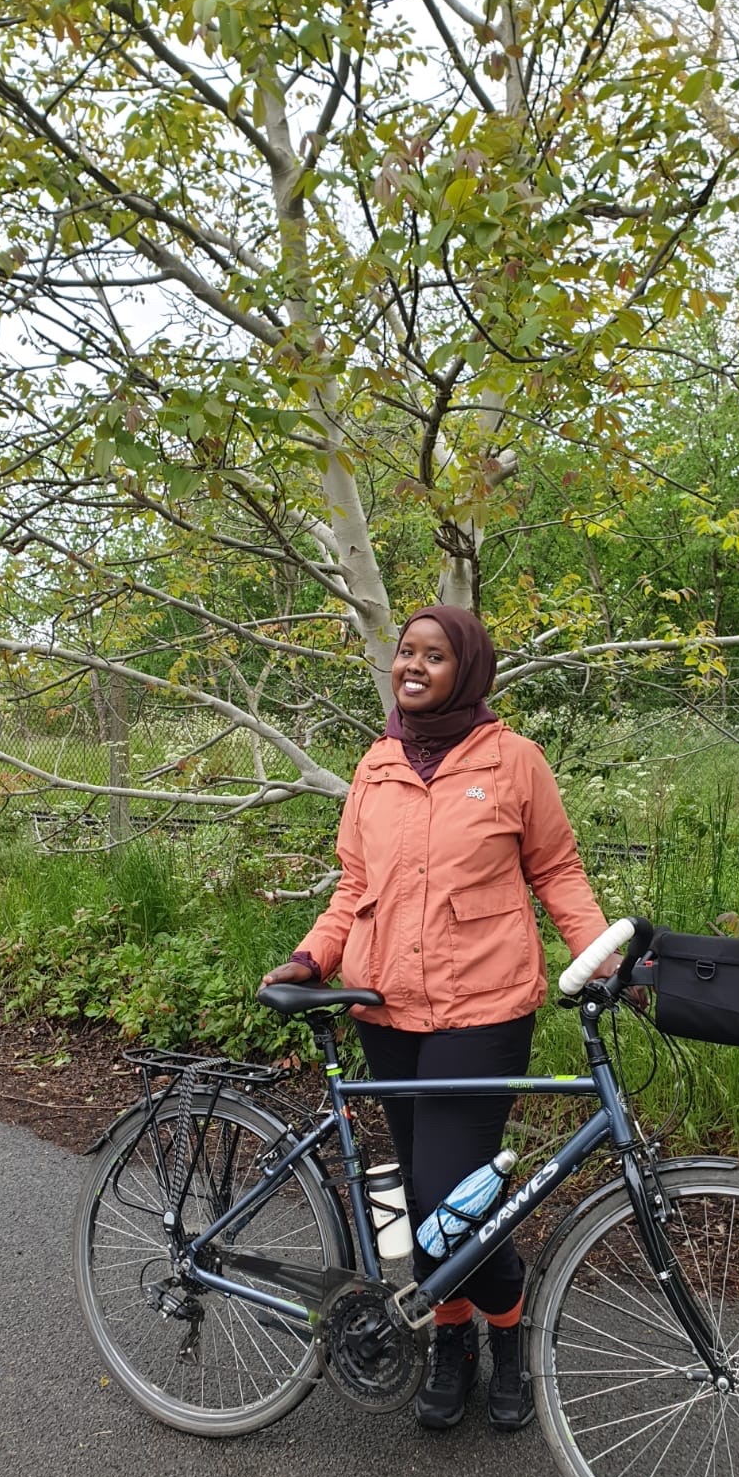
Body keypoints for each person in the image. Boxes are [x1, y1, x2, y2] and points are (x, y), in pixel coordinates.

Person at [261, 605, 621, 1433]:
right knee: (433, 1204)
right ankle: (452, 1341)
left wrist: (599, 957)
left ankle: (506, 1335)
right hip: (383, 1008)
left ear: (469, 669)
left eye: (434, 655)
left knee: (449, 1209)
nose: (413, 666)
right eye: (405, 653)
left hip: (482, 1010)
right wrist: (314, 957)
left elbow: (557, 870)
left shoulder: (513, 760)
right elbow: (353, 887)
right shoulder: (376, 765)